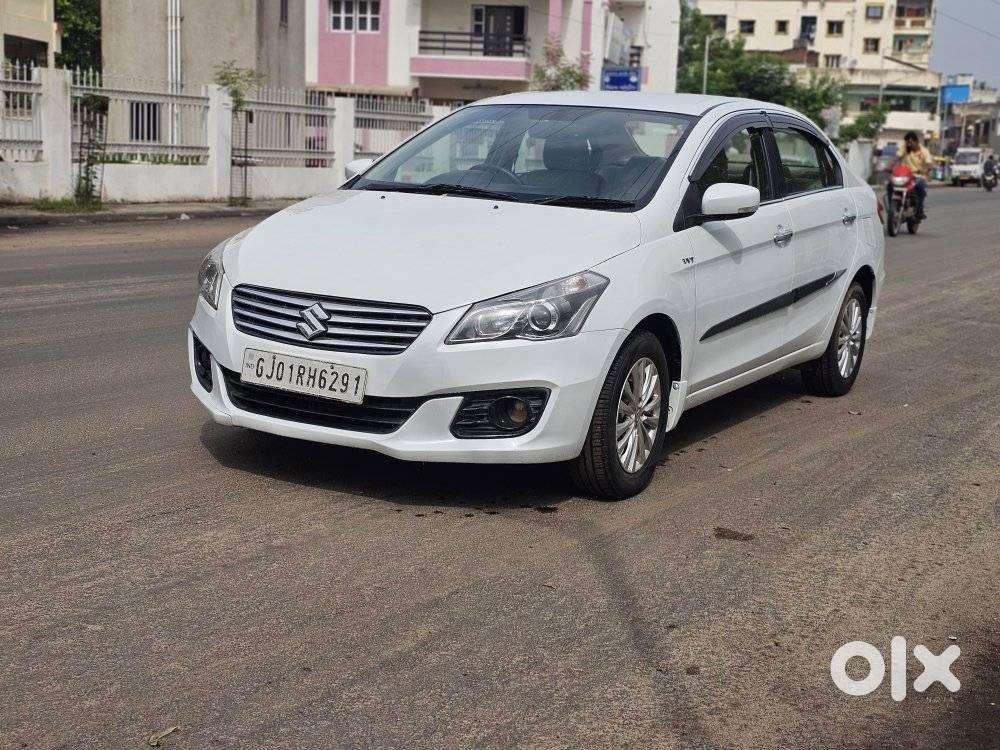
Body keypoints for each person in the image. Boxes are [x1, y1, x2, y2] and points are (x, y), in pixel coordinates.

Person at [894, 131, 932, 219]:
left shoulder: (924, 151)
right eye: (907, 142)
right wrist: (889, 166)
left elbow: (929, 164)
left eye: (910, 142)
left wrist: (925, 171)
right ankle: (892, 208)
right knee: (890, 185)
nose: (908, 144)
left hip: (918, 177)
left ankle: (919, 211)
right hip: (904, 176)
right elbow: (896, 157)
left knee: (920, 188)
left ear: (916, 142)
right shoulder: (904, 148)